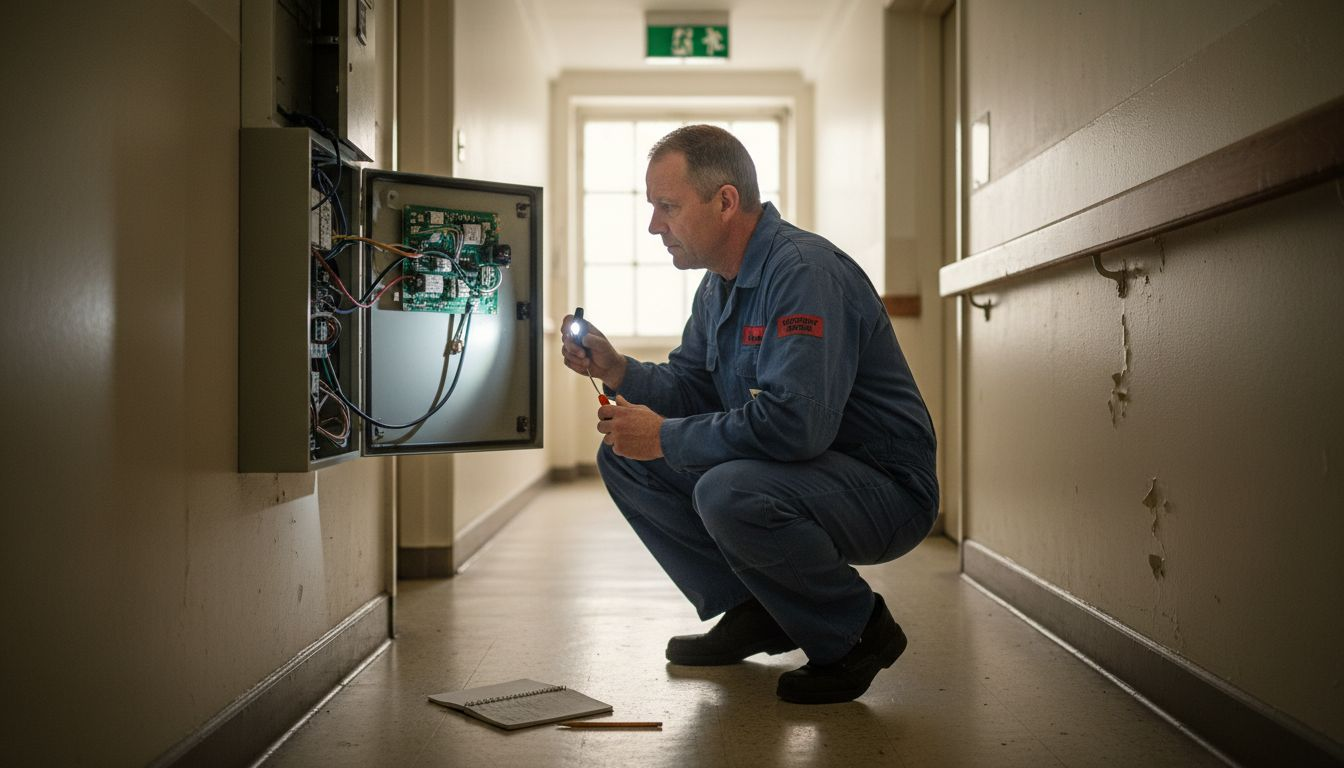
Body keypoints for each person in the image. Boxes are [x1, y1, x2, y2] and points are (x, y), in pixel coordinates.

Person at [560, 124, 938, 704]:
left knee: (730, 490)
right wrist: (617, 370)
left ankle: (859, 631)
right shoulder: (718, 287)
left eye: (667, 207)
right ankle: (756, 610)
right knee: (628, 461)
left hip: (883, 489)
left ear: (726, 201)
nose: (655, 226)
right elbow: (691, 386)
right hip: (809, 472)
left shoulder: (803, 273)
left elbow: (796, 426)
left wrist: (665, 436)